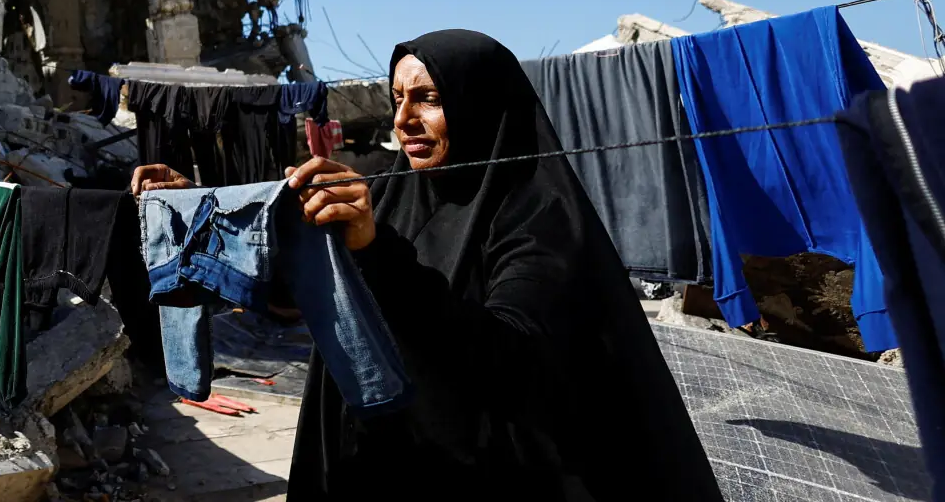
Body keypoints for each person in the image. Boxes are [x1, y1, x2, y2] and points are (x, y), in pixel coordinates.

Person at [132, 29, 722, 499]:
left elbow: (510, 356)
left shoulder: (538, 218)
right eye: (398, 100)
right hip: (378, 462)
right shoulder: (390, 192)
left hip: (483, 471)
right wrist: (206, 214)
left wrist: (376, 252)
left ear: (481, 106)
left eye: (428, 99)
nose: (403, 120)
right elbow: (297, 292)